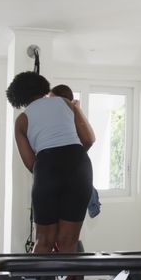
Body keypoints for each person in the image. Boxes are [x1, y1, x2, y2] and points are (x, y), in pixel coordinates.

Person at [6, 72, 95, 256]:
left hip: (47, 167)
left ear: (18, 98)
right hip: (78, 164)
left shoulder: (21, 121)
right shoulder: (65, 103)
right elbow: (87, 139)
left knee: (44, 241)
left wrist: (51, 168)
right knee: (68, 242)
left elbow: (31, 163)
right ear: (43, 86)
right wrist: (71, 160)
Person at [49, 84, 101, 219]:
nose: (49, 103)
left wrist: (77, 109)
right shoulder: (58, 120)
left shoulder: (70, 118)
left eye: (52, 99)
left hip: (72, 180)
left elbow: (90, 139)